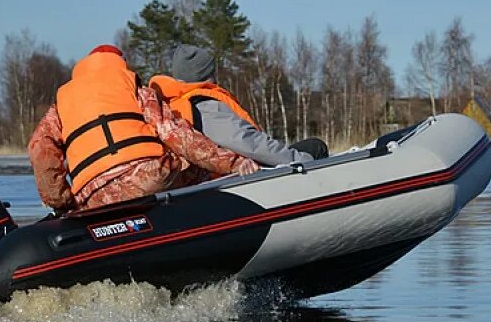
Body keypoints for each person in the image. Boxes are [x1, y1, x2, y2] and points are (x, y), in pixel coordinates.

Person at [28, 45, 259, 213]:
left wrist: (63, 203)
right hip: (147, 178)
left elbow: (40, 150)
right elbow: (176, 134)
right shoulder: (133, 87)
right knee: (196, 167)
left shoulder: (61, 104)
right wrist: (234, 162)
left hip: (92, 196)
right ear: (120, 62)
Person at [149, 44, 329, 167]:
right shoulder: (203, 105)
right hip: (236, 178)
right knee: (315, 147)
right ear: (207, 73)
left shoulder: (171, 103)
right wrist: (300, 160)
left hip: (218, 175)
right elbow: (249, 143)